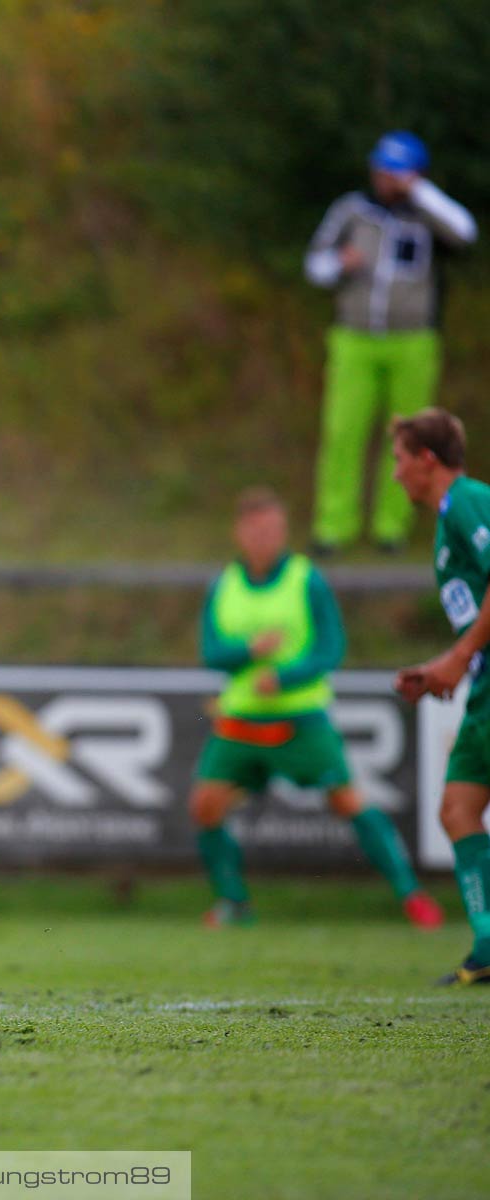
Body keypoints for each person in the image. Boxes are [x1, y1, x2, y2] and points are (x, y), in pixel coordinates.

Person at [190, 487, 440, 928]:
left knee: (348, 801)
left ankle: (411, 896)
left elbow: (331, 649)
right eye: (257, 530)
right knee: (205, 806)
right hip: (241, 720)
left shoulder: (306, 580)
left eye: (274, 530)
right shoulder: (224, 585)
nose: (266, 538)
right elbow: (211, 653)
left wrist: (284, 677)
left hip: (301, 718)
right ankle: (234, 902)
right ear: (239, 533)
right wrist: (250, 650)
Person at [307, 130, 477, 555]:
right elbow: (315, 264)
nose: (387, 180)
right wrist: (338, 264)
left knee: (409, 438)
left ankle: (392, 527)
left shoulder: (427, 215)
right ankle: (334, 526)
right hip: (355, 337)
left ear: (415, 175)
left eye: (397, 173)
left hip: (413, 341)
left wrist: (418, 192)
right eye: (382, 170)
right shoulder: (352, 210)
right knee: (343, 431)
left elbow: (465, 231)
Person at [390, 409, 490, 985]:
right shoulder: (449, 518)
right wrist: (442, 669)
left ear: (427, 459)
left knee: (459, 808)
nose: (396, 474)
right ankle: (487, 947)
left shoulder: (470, 501)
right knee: (458, 809)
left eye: (400, 460)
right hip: (483, 686)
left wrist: (456, 658)